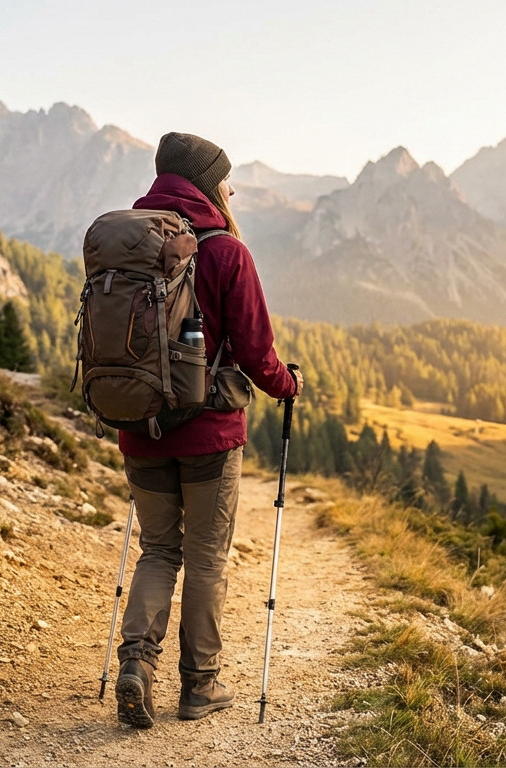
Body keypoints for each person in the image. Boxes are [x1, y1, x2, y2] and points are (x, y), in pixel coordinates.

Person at [113, 132, 303, 728]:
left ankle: (136, 666)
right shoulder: (224, 250)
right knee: (205, 558)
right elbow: (254, 348)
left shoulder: (124, 245)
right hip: (210, 434)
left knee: (158, 549)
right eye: (226, 179)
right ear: (206, 183)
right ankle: (200, 685)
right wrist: (286, 386)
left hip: (140, 427)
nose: (232, 189)